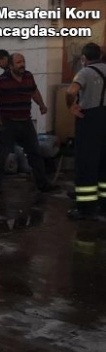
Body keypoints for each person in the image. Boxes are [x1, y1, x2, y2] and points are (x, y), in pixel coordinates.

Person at [0, 53, 59, 194]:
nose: (22, 64)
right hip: (8, 124)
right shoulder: (1, 80)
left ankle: (42, 184)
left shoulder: (28, 76)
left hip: (25, 122)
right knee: (2, 155)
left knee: (35, 153)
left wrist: (41, 105)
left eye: (23, 61)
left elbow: (34, 91)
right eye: (18, 62)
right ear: (11, 65)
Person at [65, 42, 106, 219]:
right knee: (104, 162)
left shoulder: (85, 72)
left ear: (84, 58)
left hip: (90, 120)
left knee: (86, 164)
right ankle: (103, 204)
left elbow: (71, 91)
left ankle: (85, 208)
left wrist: (71, 107)